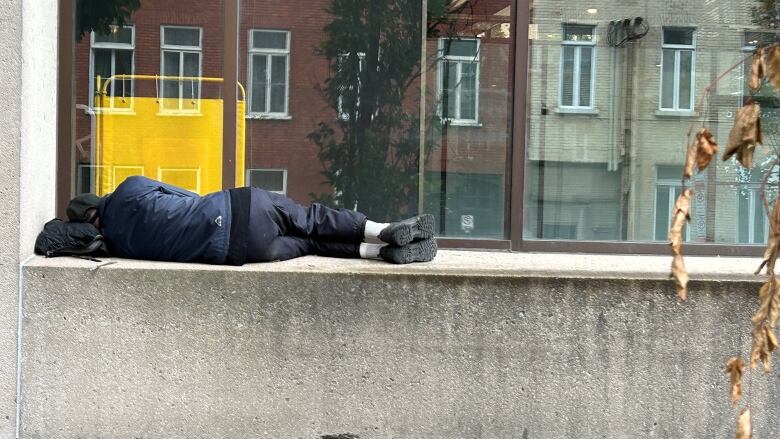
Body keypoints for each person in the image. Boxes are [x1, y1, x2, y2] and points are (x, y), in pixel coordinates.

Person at [65, 175, 437, 265]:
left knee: (308, 244)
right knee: (311, 218)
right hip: (239, 209)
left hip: (240, 250)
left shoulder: (119, 246)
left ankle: (375, 254)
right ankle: (382, 231)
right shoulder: (130, 188)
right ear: (97, 201)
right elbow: (185, 197)